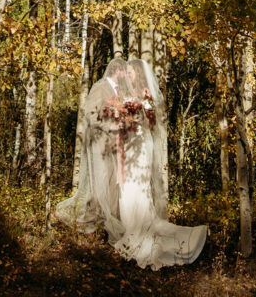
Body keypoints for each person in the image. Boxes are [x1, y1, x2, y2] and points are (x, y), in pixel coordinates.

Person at [55, 57, 207, 270]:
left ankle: (137, 232)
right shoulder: (120, 94)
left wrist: (138, 111)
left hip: (138, 147)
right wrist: (121, 117)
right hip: (126, 147)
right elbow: (107, 118)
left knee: (133, 188)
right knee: (123, 190)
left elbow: (151, 123)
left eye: (131, 72)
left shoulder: (143, 93)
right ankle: (125, 227)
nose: (128, 75)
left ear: (137, 73)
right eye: (126, 71)